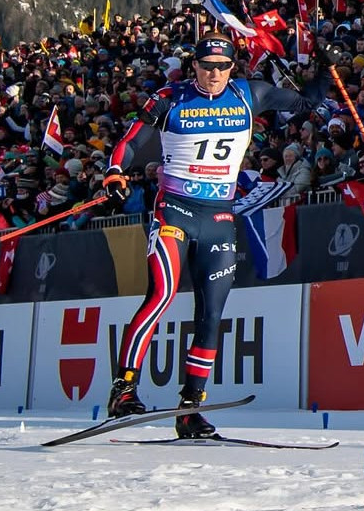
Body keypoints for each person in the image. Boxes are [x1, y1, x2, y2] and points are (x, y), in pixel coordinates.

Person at [103, 32, 335, 439]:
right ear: (194, 66)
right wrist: (115, 172)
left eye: (222, 66)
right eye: (207, 66)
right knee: (161, 295)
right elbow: (131, 140)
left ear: (232, 67)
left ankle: (190, 408)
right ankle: (124, 389)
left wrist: (325, 68)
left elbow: (305, 103)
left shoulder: (249, 94)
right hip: (175, 210)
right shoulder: (170, 98)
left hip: (219, 217)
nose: (214, 74)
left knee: (211, 314)